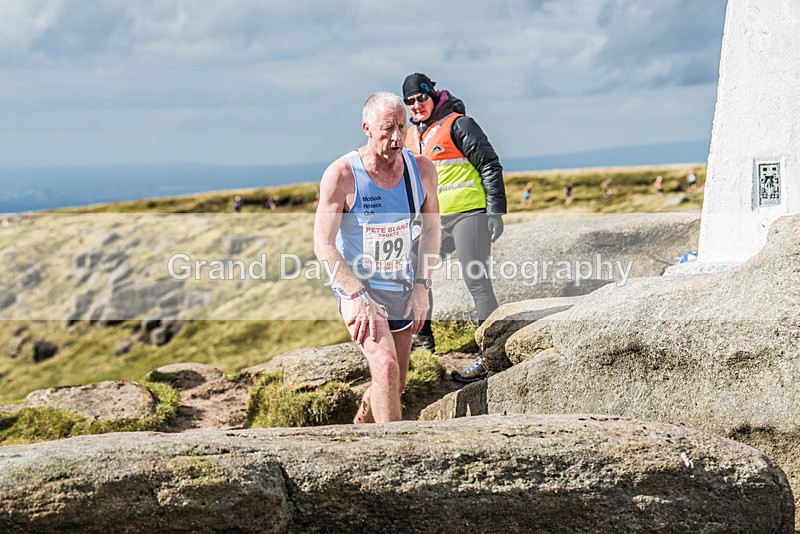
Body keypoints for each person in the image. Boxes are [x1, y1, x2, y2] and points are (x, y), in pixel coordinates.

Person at [314, 91, 440, 423]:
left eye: (403, 126)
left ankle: (360, 429)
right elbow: (323, 244)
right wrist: (356, 296)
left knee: (395, 383)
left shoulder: (422, 170)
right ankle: (394, 457)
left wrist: (423, 287)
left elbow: (431, 231)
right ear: (367, 128)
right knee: (384, 367)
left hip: (400, 284)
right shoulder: (341, 175)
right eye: (388, 128)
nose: (397, 137)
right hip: (359, 288)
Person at [402, 73, 507, 383]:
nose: (416, 105)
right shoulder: (410, 135)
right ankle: (424, 350)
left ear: (432, 95)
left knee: (476, 280)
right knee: (413, 271)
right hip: (434, 222)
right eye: (410, 101)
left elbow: (489, 164)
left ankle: (490, 356)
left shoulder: (458, 124)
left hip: (468, 214)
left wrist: (495, 211)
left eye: (421, 98)